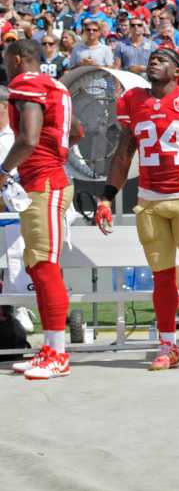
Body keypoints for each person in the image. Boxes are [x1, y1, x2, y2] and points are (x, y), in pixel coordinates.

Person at [94, 49, 179, 371]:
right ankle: (168, 344)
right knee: (163, 278)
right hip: (149, 200)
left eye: (162, 58)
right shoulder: (134, 100)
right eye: (152, 57)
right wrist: (106, 197)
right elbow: (124, 152)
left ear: (177, 70)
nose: (154, 61)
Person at [3, 39, 83, 380]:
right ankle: (51, 348)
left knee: (45, 266)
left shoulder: (27, 83)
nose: (6, 67)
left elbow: (29, 139)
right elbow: (75, 130)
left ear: (19, 59)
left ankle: (58, 353)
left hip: (43, 182)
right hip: (48, 178)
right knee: (38, 265)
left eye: (7, 61)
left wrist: (4, 170)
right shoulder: (57, 86)